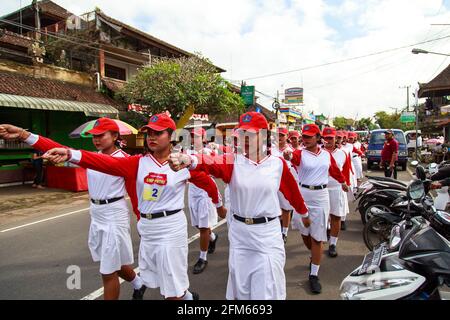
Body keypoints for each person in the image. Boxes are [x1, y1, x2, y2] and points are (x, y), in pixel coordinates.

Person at [31, 113, 227, 300]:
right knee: (160, 280)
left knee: (171, 290)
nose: (152, 137)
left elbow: (208, 182)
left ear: (171, 136)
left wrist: (218, 206)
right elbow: (100, 162)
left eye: (158, 133)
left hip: (171, 228)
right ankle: (188, 297)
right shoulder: (137, 163)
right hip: (148, 230)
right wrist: (67, 152)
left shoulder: (182, 164)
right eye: (149, 133)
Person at [169, 111, 311, 300]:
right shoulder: (233, 161)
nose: (244, 139)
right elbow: (210, 163)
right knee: (242, 291)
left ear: (263, 135)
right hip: (240, 235)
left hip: (267, 235)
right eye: (241, 134)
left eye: (250, 135)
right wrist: (190, 160)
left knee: (267, 291)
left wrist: (304, 213)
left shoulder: (277, 164)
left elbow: (292, 192)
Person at [0, 119, 145, 300]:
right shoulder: (92, 157)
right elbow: (58, 147)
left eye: (101, 135)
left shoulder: (125, 161)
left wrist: (141, 221)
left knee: (108, 272)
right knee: (110, 263)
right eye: (94, 136)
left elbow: (134, 194)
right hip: (96, 213)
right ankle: (139, 283)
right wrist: (23, 135)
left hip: (114, 215)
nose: (96, 139)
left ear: (115, 136)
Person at [284, 123, 348, 294]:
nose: (305, 139)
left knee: (317, 238)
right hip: (303, 196)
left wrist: (343, 182)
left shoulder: (326, 155)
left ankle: (314, 274)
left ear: (317, 138)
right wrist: (288, 156)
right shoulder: (299, 154)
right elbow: (292, 157)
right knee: (305, 235)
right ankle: (315, 255)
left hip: (321, 197)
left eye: (309, 136)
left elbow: (334, 170)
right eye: (303, 136)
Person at [186, 127, 220, 274]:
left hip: (205, 192)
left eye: (198, 137)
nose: (194, 139)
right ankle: (213, 237)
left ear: (204, 139)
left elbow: (214, 162)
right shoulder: (187, 152)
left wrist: (211, 150)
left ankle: (202, 258)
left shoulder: (209, 152)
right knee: (199, 225)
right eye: (193, 136)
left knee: (204, 227)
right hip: (192, 190)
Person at [322, 128, 351, 258]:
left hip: (336, 189)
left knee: (336, 216)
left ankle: (333, 243)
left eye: (330, 138)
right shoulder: (318, 152)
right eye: (326, 138)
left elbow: (345, 172)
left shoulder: (343, 154)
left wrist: (347, 186)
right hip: (320, 190)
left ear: (336, 139)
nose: (328, 141)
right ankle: (320, 239)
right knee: (321, 218)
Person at [271, 127, 294, 243]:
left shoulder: (290, 151)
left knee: (286, 209)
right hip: (272, 182)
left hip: (284, 182)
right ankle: (274, 230)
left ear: (287, 137)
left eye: (282, 135)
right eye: (278, 135)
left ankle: (284, 232)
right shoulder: (271, 150)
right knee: (273, 207)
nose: (279, 138)